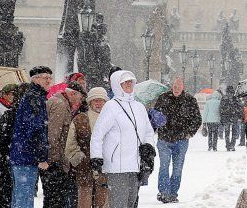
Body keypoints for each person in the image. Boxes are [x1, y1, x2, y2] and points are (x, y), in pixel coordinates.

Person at [89, 70, 156, 208]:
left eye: (131, 81)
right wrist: (96, 156)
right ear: (116, 84)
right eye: (125, 82)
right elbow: (98, 134)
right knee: (119, 204)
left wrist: (148, 145)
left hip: (136, 165)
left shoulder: (139, 107)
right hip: (117, 166)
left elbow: (149, 131)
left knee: (131, 204)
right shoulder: (111, 107)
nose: (129, 84)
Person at [152, 76, 203, 203]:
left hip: (181, 140)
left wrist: (189, 133)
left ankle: (173, 193)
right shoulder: (163, 98)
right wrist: (155, 127)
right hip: (164, 139)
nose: (176, 89)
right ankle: (164, 192)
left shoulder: (190, 100)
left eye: (179, 87)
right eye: (175, 87)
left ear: (183, 88)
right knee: (164, 166)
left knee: (177, 167)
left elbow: (197, 119)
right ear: (172, 87)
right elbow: (154, 116)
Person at [11, 66, 54, 208]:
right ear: (35, 79)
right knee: (24, 198)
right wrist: (41, 156)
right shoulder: (34, 98)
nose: (49, 80)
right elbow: (35, 129)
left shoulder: (35, 96)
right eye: (45, 77)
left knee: (21, 196)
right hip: (26, 156)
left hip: (23, 155)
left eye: (50, 77)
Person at [66, 87, 110, 208]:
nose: (98, 103)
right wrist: (81, 159)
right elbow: (70, 145)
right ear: (90, 102)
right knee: (84, 203)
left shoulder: (112, 119)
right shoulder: (80, 119)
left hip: (106, 169)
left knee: (103, 203)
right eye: (95, 100)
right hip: (84, 169)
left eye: (101, 100)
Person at [44, 83, 86, 208]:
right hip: (55, 162)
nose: (79, 102)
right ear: (72, 94)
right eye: (79, 98)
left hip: (53, 160)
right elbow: (53, 136)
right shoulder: (60, 105)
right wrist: (56, 162)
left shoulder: (60, 102)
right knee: (55, 200)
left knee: (52, 199)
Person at [219, 85, 244, 151]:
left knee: (227, 132)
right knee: (234, 132)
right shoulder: (235, 98)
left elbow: (221, 109)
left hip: (226, 117)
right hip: (234, 117)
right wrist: (239, 115)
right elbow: (240, 107)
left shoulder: (224, 98)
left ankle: (228, 145)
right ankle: (232, 145)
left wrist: (222, 116)